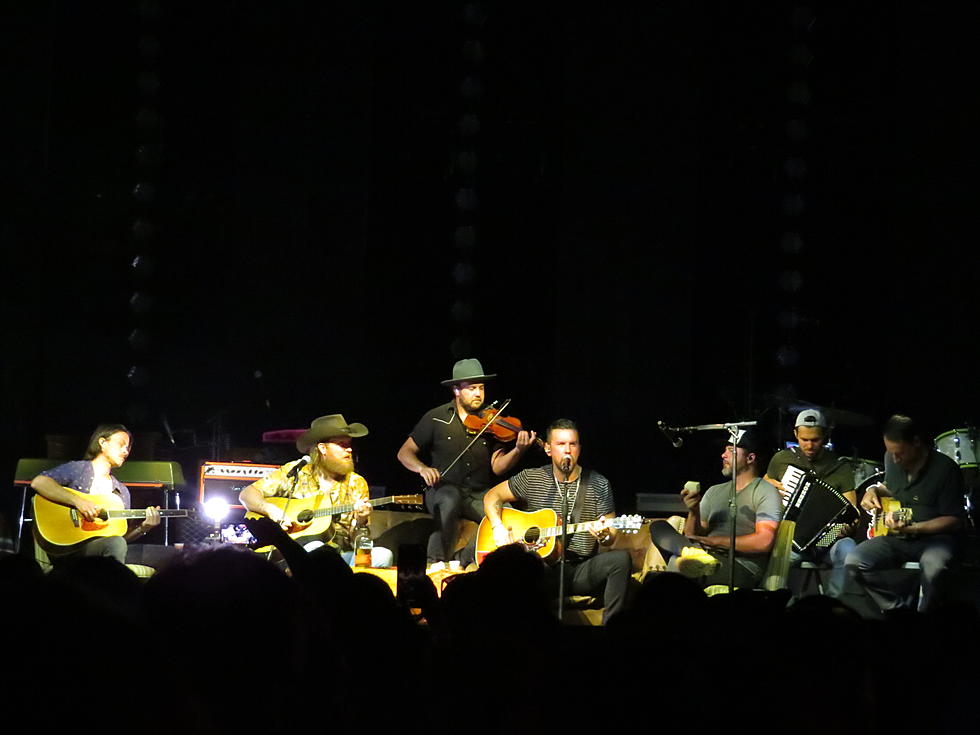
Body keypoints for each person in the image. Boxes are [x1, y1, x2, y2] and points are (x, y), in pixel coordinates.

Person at [482, 418, 632, 623]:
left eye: (573, 444)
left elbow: (611, 537)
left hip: (581, 568)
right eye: (561, 444)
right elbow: (492, 496)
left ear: (579, 448)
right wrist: (498, 527)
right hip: (540, 571)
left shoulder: (598, 484)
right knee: (525, 568)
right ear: (548, 449)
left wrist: (605, 535)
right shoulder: (531, 478)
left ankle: (611, 631)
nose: (567, 450)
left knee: (620, 560)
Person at [397, 358, 536, 570]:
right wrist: (423, 468)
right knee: (449, 498)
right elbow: (404, 453)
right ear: (456, 390)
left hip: (478, 493)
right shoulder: (437, 418)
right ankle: (434, 564)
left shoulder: (492, 421)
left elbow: (498, 467)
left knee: (506, 515)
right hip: (442, 489)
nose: (478, 393)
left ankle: (464, 558)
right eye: (471, 389)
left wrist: (518, 450)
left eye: (481, 388)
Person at [844, 415, 964, 613]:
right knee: (855, 562)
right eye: (891, 453)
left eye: (899, 453)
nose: (894, 459)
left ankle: (925, 617)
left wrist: (915, 527)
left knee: (934, 568)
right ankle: (898, 611)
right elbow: (892, 487)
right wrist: (873, 491)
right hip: (899, 537)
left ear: (916, 442)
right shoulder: (892, 459)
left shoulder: (946, 469)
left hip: (935, 539)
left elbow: (954, 520)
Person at [240, 414, 393, 568]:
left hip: (343, 556)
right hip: (302, 553)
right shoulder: (296, 472)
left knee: (383, 555)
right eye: (342, 444)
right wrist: (271, 510)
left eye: (349, 444)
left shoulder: (357, 483)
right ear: (322, 448)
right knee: (316, 550)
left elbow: (358, 541)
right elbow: (247, 494)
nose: (350, 449)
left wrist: (361, 521)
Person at [649, 429, 783, 588]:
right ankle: (692, 554)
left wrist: (715, 541)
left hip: (739, 566)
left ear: (750, 458)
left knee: (665, 575)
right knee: (658, 526)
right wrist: (693, 511)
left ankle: (691, 558)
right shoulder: (714, 491)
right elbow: (693, 534)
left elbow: (764, 541)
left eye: (731, 451)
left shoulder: (765, 491)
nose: (723, 455)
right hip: (703, 553)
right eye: (724, 450)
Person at [29, 423, 161, 565]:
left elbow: (120, 538)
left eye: (128, 447)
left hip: (104, 548)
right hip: (69, 549)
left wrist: (143, 528)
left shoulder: (121, 491)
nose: (126, 451)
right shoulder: (78, 469)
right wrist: (78, 501)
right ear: (103, 443)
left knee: (173, 555)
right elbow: (39, 482)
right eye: (121, 444)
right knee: (115, 544)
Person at [765, 408, 859, 597]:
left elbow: (852, 512)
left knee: (849, 551)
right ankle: (778, 608)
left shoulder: (840, 467)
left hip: (827, 541)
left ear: (825, 437)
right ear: (795, 435)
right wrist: (768, 487)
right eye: (804, 440)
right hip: (790, 537)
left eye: (815, 440)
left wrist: (847, 527)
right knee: (778, 562)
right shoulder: (782, 459)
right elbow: (763, 485)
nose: (809, 445)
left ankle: (831, 604)